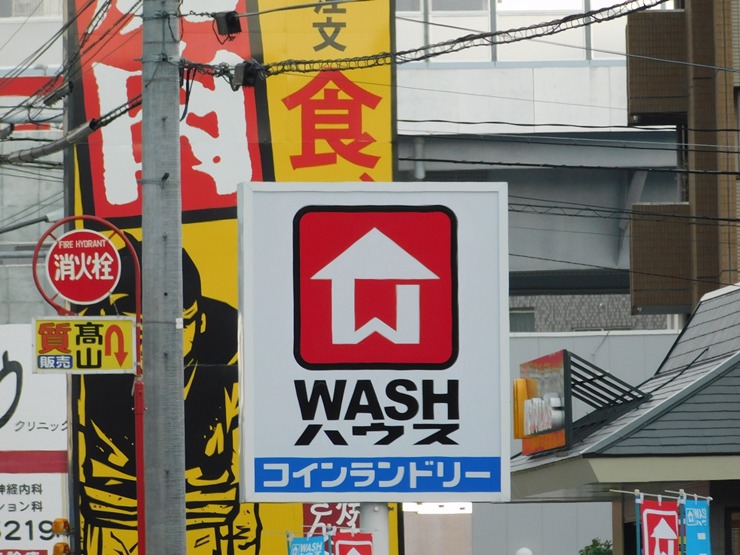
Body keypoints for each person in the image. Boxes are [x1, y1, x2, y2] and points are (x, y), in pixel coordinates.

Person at [77, 234, 261, 555]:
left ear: (200, 321)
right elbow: (78, 431)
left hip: (208, 513)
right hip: (112, 511)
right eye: (137, 326)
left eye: (181, 321)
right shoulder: (89, 348)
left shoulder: (231, 349)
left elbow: (243, 434)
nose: (150, 339)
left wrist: (247, 515)